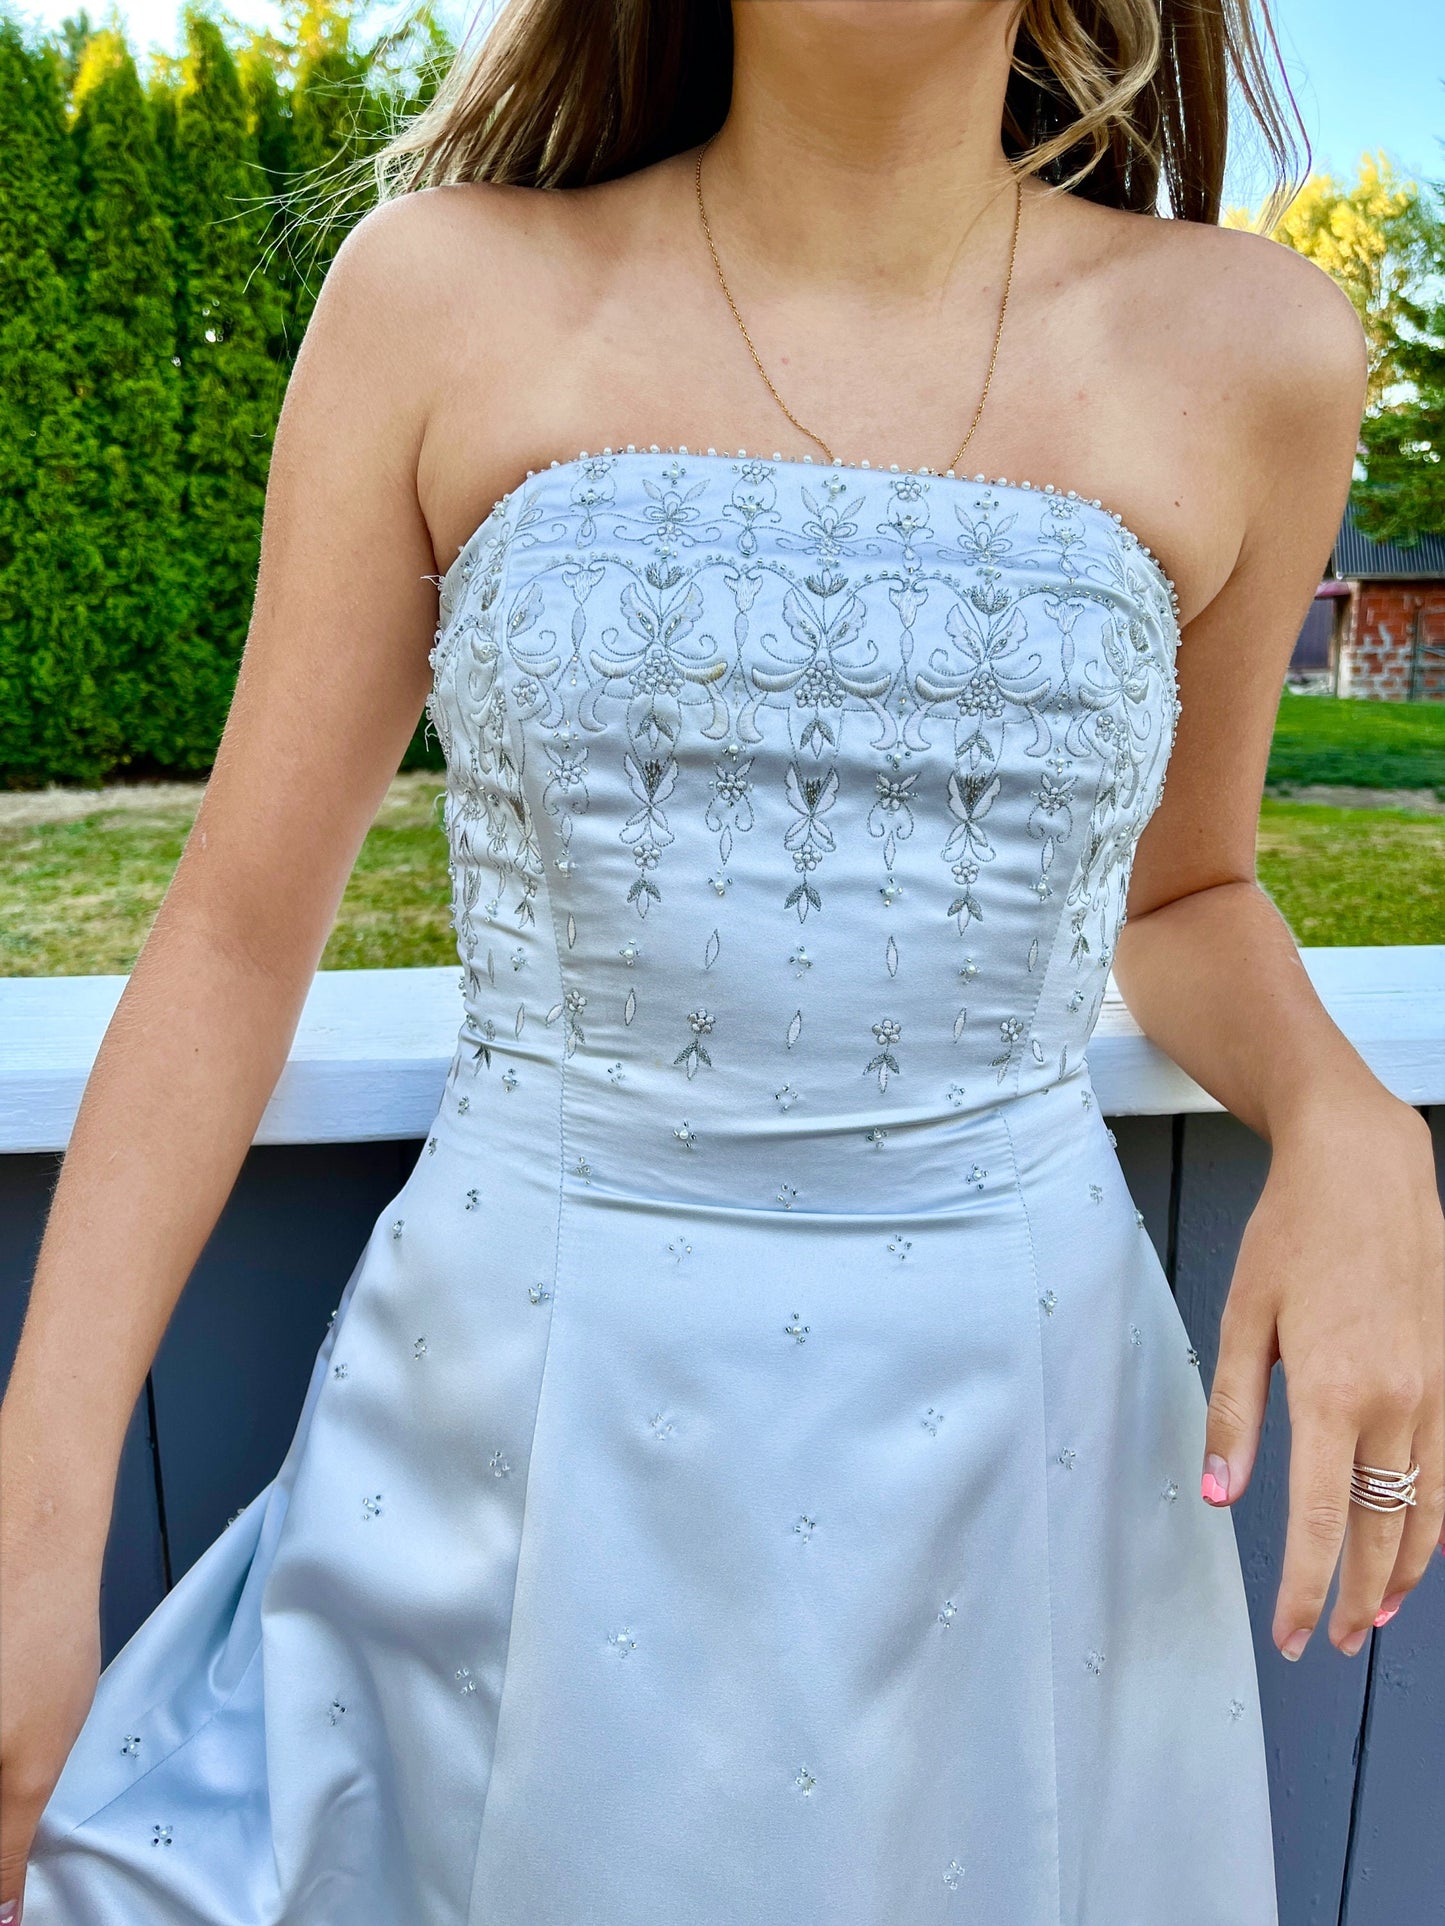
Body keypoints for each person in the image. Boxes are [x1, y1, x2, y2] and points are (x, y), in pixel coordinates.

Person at [4, 1, 1443, 1921]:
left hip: (1020, 1484)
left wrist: (1348, 1118)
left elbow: (1183, 894)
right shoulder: (439, 297)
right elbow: (239, 928)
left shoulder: (1256, 351)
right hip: (496, 1471)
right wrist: (36, 1515)